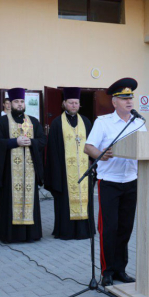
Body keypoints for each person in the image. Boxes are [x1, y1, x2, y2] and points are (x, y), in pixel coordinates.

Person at [84, 78, 146, 287]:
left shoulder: (139, 123)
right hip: (109, 182)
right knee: (109, 229)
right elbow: (88, 147)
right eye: (124, 98)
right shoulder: (103, 122)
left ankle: (120, 269)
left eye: (131, 98)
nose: (129, 101)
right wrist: (100, 155)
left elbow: (146, 147)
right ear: (114, 102)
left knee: (125, 228)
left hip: (131, 181)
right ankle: (107, 271)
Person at [0, 88, 47, 243]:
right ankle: (10, 235)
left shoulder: (33, 121)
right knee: (9, 203)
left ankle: (31, 234)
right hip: (9, 173)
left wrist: (32, 142)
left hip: (29, 172)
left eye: (22, 101)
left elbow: (42, 140)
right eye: (16, 101)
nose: (19, 104)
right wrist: (14, 142)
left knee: (30, 202)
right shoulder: (1, 122)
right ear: (10, 103)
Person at [44, 87, 95, 240]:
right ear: (64, 103)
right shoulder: (57, 123)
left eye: (76, 103)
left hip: (84, 170)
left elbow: (93, 144)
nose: (74, 105)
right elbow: (52, 151)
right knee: (65, 201)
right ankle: (65, 231)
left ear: (79, 104)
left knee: (85, 199)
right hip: (64, 172)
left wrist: (92, 163)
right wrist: (56, 172)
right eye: (71, 102)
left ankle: (84, 230)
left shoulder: (86, 122)